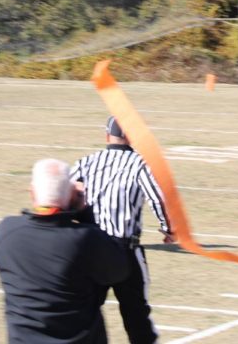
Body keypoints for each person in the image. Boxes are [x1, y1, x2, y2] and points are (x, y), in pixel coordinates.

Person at [0, 158, 130, 343]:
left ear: (32, 192)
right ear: (73, 195)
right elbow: (119, 269)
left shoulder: (7, 231)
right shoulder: (86, 238)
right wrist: (86, 214)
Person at [70, 116, 174, 344]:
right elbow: (157, 198)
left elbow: (62, 192)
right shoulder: (140, 164)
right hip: (124, 250)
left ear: (107, 135)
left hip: (91, 248)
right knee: (136, 315)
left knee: (86, 312)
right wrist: (169, 229)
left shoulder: (87, 162)